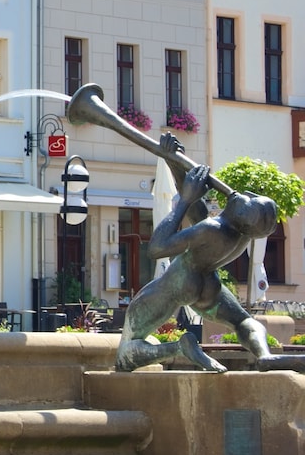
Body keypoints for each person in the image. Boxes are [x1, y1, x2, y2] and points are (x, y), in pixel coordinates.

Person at [116, 133, 305, 373]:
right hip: (209, 286)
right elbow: (199, 214)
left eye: (249, 201)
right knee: (243, 320)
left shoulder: (211, 228)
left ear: (243, 216)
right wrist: (173, 161)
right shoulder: (239, 235)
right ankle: (264, 355)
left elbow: (156, 248)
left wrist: (184, 200)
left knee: (125, 353)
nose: (245, 194)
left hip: (179, 281)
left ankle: (178, 349)